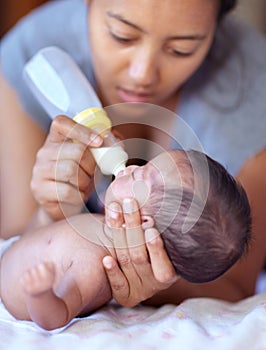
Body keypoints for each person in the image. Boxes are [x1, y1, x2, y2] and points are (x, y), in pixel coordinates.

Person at [0, 0, 265, 308]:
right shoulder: (31, 55)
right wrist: (51, 212)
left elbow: (233, 285)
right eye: (122, 36)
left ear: (217, 27)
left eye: (181, 49)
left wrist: (153, 286)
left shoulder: (253, 91)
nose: (142, 74)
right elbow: (13, 249)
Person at [0, 150, 251, 330]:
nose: (131, 167)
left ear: (143, 224)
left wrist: (41, 294)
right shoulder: (100, 228)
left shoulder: (94, 264)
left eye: (141, 177)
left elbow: (55, 316)